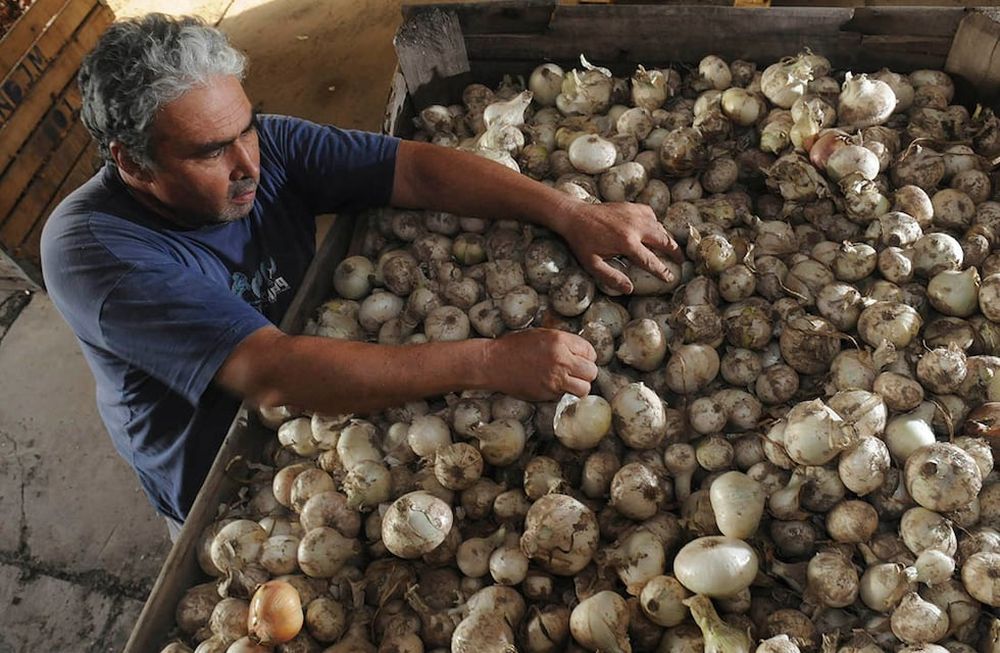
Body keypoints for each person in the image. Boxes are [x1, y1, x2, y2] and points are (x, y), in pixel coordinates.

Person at [40, 14, 680, 536]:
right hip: (219, 466)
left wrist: (571, 213)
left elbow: (417, 169)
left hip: (319, 361)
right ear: (133, 161)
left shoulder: (270, 147)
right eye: (210, 151)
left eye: (247, 130)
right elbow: (275, 373)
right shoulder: (97, 254)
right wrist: (488, 361)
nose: (247, 165)